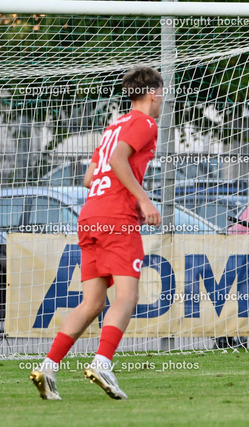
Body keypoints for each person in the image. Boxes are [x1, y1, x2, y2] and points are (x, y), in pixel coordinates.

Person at [30, 66, 163, 400]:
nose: (163, 100)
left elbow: (90, 178)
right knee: (127, 296)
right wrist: (143, 199)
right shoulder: (145, 123)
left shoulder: (113, 126)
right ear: (153, 93)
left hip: (90, 215)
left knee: (92, 302)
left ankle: (47, 367)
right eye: (162, 94)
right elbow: (118, 159)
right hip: (117, 217)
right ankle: (102, 363)